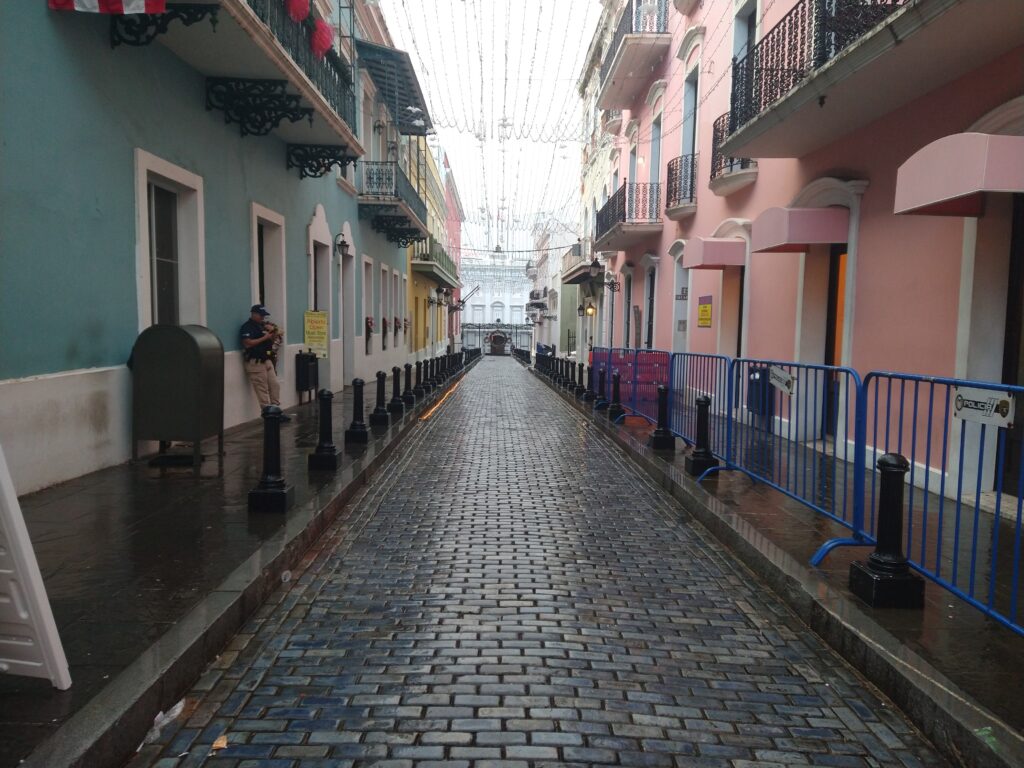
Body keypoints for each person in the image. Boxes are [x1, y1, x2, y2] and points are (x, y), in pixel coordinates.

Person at [241, 304, 290, 421]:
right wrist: (265, 337)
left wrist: (273, 334)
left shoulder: (262, 326)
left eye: (264, 316)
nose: (263, 318)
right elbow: (247, 343)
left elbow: (271, 340)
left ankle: (276, 410)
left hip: (266, 360)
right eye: (261, 315)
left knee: (275, 385)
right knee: (262, 389)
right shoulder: (247, 327)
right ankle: (268, 413)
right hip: (255, 362)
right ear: (254, 314)